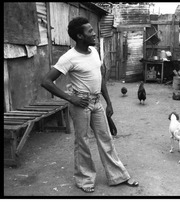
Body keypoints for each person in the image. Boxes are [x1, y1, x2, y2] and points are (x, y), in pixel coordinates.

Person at [41, 17, 138, 193]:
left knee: (106, 139)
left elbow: (99, 78)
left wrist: (108, 102)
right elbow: (46, 81)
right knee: (83, 143)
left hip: (96, 102)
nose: (94, 34)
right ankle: (84, 180)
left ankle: (117, 176)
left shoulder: (94, 51)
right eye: (90, 31)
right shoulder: (69, 57)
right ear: (79, 35)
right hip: (80, 104)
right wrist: (71, 99)